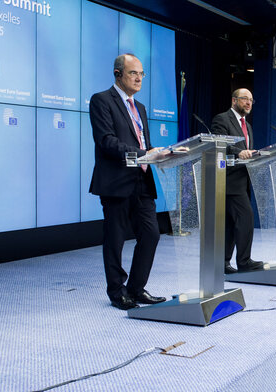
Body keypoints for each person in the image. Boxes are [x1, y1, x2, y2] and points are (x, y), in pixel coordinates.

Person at [89, 53, 166, 310]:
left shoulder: (140, 107)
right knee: (115, 238)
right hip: (116, 181)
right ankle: (117, 292)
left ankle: (136, 288)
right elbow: (106, 141)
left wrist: (163, 153)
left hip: (142, 179)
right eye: (134, 73)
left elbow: (142, 144)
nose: (139, 78)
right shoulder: (101, 100)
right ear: (117, 74)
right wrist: (145, 153)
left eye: (141, 73)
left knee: (151, 234)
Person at [211, 88, 265, 274]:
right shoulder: (222, 119)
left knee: (231, 224)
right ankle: (244, 261)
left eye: (251, 100)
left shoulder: (247, 125)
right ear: (234, 100)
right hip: (227, 180)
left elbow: (246, 150)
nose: (248, 103)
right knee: (245, 218)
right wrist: (238, 153)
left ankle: (224, 263)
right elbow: (220, 144)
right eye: (244, 99)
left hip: (242, 180)